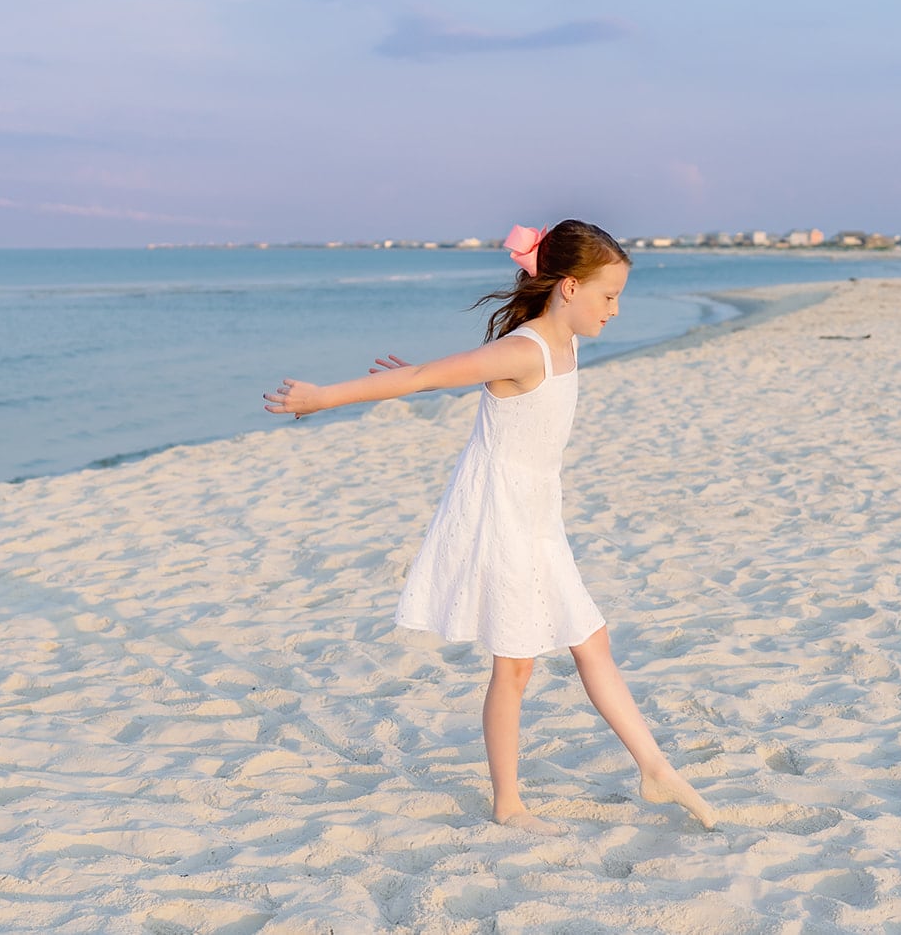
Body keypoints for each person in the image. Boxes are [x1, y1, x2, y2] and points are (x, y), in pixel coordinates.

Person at [264, 219, 717, 835]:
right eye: (608, 296)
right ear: (567, 288)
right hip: (502, 517)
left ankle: (655, 769)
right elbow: (428, 378)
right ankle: (509, 807)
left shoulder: (566, 343)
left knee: (592, 639)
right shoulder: (524, 349)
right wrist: (324, 396)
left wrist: (426, 373)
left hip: (538, 516)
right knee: (515, 667)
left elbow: (463, 382)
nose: (615, 310)